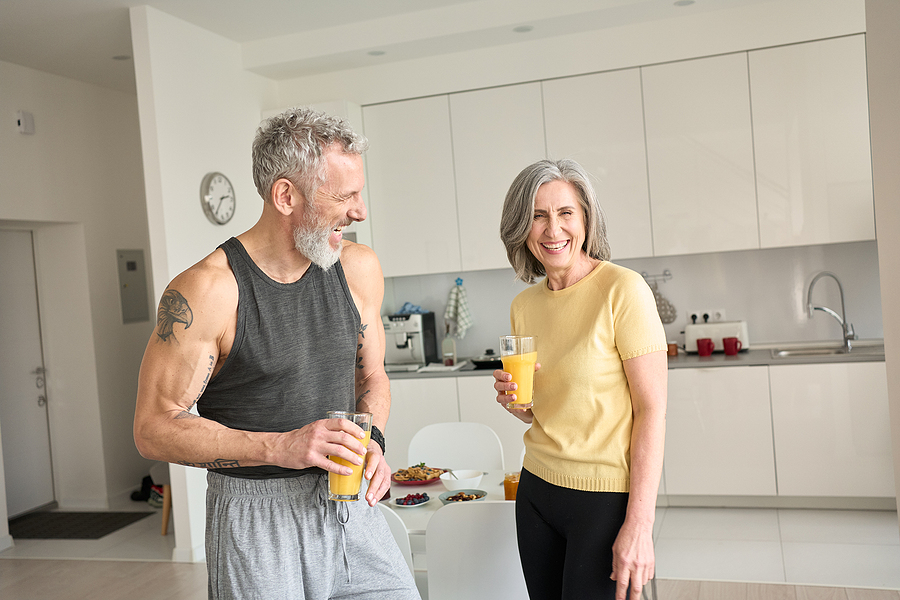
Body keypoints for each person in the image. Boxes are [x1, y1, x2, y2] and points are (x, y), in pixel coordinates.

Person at [133, 107, 420, 600]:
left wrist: (372, 442)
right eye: (345, 196)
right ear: (286, 195)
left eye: (360, 194)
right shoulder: (209, 291)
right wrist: (279, 446)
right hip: (255, 517)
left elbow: (371, 379)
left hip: (350, 506)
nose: (360, 212)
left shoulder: (357, 269)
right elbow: (153, 429)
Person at [493, 159, 667, 600]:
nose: (553, 230)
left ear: (586, 218)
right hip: (535, 491)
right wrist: (518, 406)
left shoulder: (622, 290)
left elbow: (652, 411)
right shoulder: (523, 305)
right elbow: (543, 410)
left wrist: (640, 525)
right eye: (537, 215)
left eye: (565, 212)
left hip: (602, 500)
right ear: (521, 226)